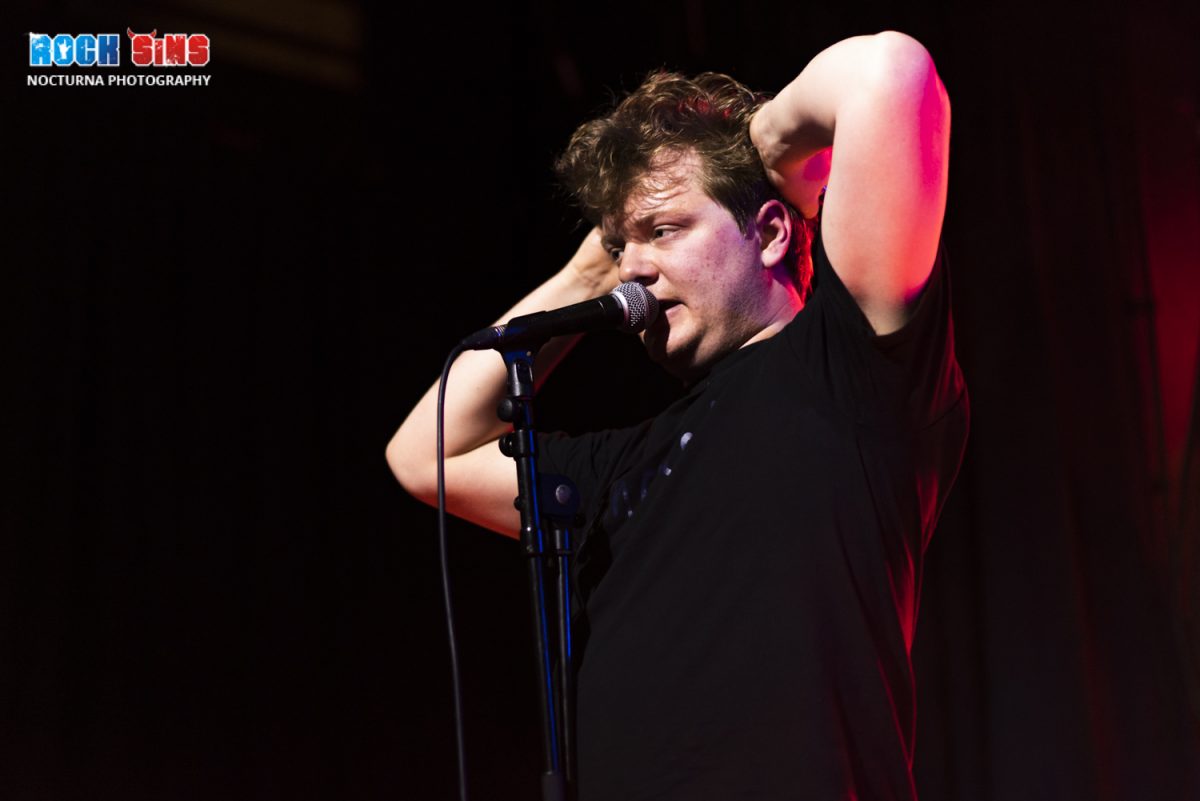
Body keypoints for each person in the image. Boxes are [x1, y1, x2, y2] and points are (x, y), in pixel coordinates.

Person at [388, 31, 968, 801]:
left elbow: (889, 71)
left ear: (770, 232)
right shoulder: (622, 464)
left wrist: (761, 140)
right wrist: (592, 267)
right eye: (621, 245)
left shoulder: (850, 367)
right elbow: (424, 455)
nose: (634, 267)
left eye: (664, 229)